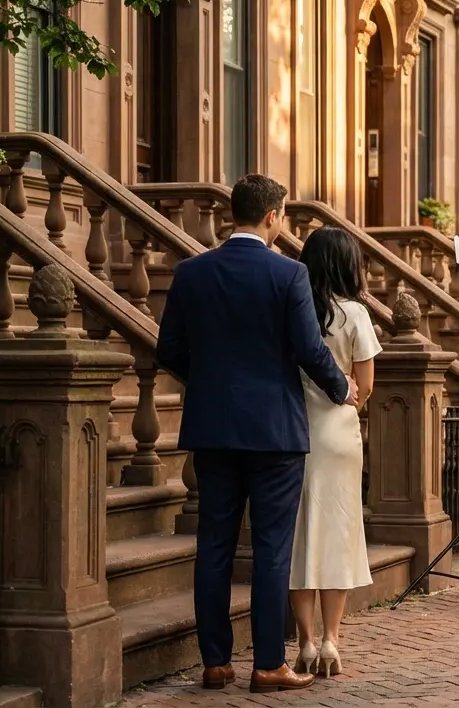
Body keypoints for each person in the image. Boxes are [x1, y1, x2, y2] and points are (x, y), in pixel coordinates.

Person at [156, 174, 352, 694]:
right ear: (271, 216)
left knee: (214, 546)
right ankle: (268, 665)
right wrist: (342, 389)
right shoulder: (288, 275)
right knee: (271, 550)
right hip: (275, 433)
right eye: (283, 215)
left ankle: (216, 663)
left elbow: (168, 349)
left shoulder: (191, 272)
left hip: (213, 427)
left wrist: (208, 381)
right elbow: (311, 351)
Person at [288, 226, 382, 677]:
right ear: (348, 264)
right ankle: (331, 640)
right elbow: (365, 387)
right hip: (340, 435)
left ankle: (304, 642)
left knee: (302, 537)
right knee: (339, 536)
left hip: (295, 430)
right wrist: (346, 404)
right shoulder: (356, 315)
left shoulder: (294, 308)